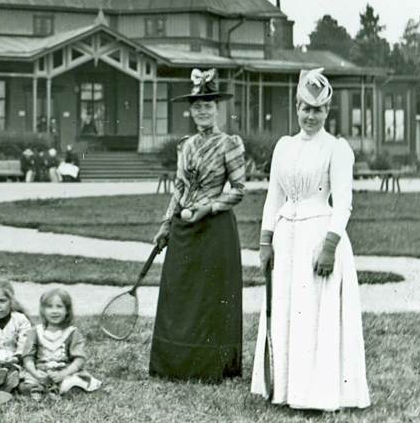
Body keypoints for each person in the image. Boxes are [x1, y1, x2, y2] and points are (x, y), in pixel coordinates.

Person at [251, 68, 371, 411]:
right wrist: (265, 241)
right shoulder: (284, 147)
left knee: (314, 314)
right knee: (289, 312)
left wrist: (329, 246)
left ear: (327, 112)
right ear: (296, 106)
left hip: (318, 238)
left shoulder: (336, 149)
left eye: (317, 110)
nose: (310, 116)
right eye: (305, 107)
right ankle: (286, 389)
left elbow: (343, 203)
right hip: (287, 238)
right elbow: (273, 197)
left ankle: (315, 393)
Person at [149, 68, 246, 382]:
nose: (203, 110)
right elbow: (179, 188)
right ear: (190, 111)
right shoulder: (185, 145)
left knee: (211, 296)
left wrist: (210, 207)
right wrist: (166, 224)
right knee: (180, 293)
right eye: (197, 106)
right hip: (184, 228)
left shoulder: (230, 143)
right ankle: (176, 363)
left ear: (217, 109)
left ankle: (210, 366)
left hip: (215, 228)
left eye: (208, 104)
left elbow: (238, 189)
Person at [18, 287, 101, 399]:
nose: (54, 311)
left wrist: (62, 374)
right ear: (42, 310)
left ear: (67, 310)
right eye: (49, 307)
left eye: (59, 306)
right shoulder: (35, 331)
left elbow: (79, 359)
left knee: (73, 384)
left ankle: (56, 389)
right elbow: (28, 357)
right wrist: (35, 373)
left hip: (65, 372)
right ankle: (39, 389)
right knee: (25, 385)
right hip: (40, 372)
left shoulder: (72, 332)